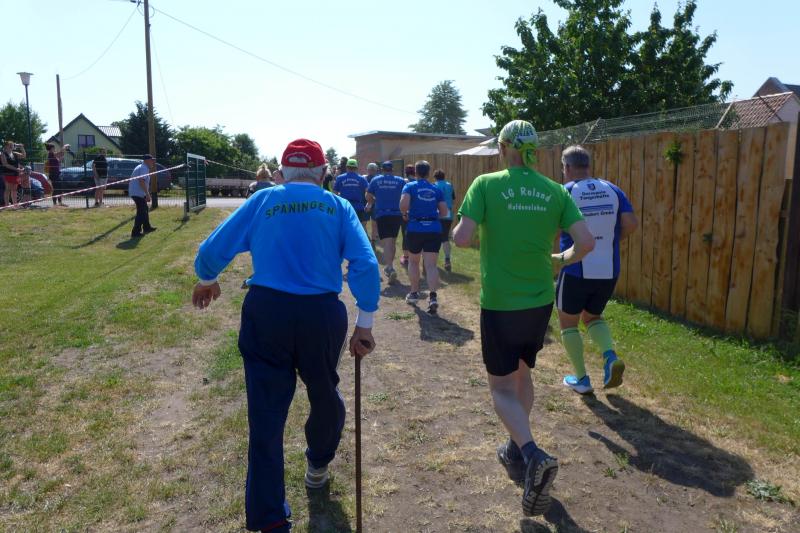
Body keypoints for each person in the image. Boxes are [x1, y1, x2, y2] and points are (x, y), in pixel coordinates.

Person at [191, 138, 380, 533]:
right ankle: (319, 461)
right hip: (320, 315)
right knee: (324, 392)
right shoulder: (337, 205)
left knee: (265, 414)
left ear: (280, 174)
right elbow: (364, 262)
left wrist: (208, 279)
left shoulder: (264, 200)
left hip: (267, 313)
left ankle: (271, 519)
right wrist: (365, 322)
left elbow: (213, 249)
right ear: (324, 173)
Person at [453, 120, 595, 516]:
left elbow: (462, 238)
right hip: (539, 302)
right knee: (522, 372)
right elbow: (586, 243)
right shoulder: (554, 190)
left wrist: (461, 233)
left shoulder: (485, 184)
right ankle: (515, 449)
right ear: (535, 150)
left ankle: (532, 454)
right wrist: (560, 259)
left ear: (502, 149)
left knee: (501, 386)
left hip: (500, 303)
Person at [556, 145, 638, 395]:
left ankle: (581, 379)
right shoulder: (612, 189)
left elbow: (552, 228)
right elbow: (630, 224)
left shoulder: (565, 191)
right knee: (592, 317)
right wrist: (607, 242)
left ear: (566, 167)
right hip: (608, 269)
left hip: (575, 268)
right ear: (588, 165)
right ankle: (610, 356)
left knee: (568, 323)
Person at [400, 160, 448, 314]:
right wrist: (432, 217)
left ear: (415, 172)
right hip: (433, 229)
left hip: (415, 228)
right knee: (431, 265)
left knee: (413, 262)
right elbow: (444, 212)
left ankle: (414, 293)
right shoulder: (436, 189)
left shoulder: (410, 186)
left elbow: (403, 206)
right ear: (428, 173)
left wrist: (405, 214)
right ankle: (433, 297)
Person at [366, 161, 406, 283]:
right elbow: (405, 197)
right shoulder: (400, 181)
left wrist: (374, 201)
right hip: (396, 214)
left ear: (382, 170)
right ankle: (390, 266)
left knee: (387, 242)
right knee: (392, 241)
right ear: (392, 170)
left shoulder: (376, 180)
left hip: (382, 214)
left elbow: (368, 196)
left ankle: (390, 267)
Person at [333, 159, 369, 234]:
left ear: (347, 167)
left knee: (345, 228)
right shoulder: (362, 178)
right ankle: (363, 240)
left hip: (345, 206)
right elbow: (368, 191)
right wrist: (368, 203)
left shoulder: (340, 178)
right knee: (361, 227)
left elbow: (335, 192)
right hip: (359, 206)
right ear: (356, 168)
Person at [433, 169, 456, 272]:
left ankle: (432, 261)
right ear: (444, 176)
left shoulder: (434, 185)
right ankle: (447, 260)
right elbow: (453, 198)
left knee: (434, 237)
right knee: (445, 237)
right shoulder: (449, 185)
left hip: (437, 213)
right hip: (448, 214)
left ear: (435, 177)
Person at [129, 155, 158, 238]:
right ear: (146, 160)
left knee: (144, 209)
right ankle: (135, 232)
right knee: (141, 212)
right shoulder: (144, 168)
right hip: (137, 193)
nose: (153, 162)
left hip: (137, 192)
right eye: (151, 160)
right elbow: (141, 181)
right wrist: (147, 194)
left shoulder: (142, 167)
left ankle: (147, 227)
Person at [398, 164, 415, 268]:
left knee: (405, 234)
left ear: (406, 172)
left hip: (406, 212)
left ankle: (406, 257)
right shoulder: (417, 182)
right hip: (416, 212)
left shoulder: (403, 182)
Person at [1, 141, 25, 207]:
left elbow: (23, 156)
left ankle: (15, 205)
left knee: (14, 189)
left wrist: (22, 148)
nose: (13, 146)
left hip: (16, 174)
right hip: (8, 174)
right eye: (11, 145)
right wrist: (16, 169)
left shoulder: (15, 153)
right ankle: (7, 205)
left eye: (13, 145)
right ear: (6, 146)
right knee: (8, 189)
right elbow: (5, 164)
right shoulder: (3, 154)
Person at [365, 162, 380, 242]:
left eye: (372, 170)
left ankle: (373, 238)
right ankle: (371, 238)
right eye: (370, 170)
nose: (371, 171)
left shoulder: (377, 179)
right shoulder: (365, 178)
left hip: (371, 202)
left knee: (373, 222)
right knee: (367, 222)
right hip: (369, 202)